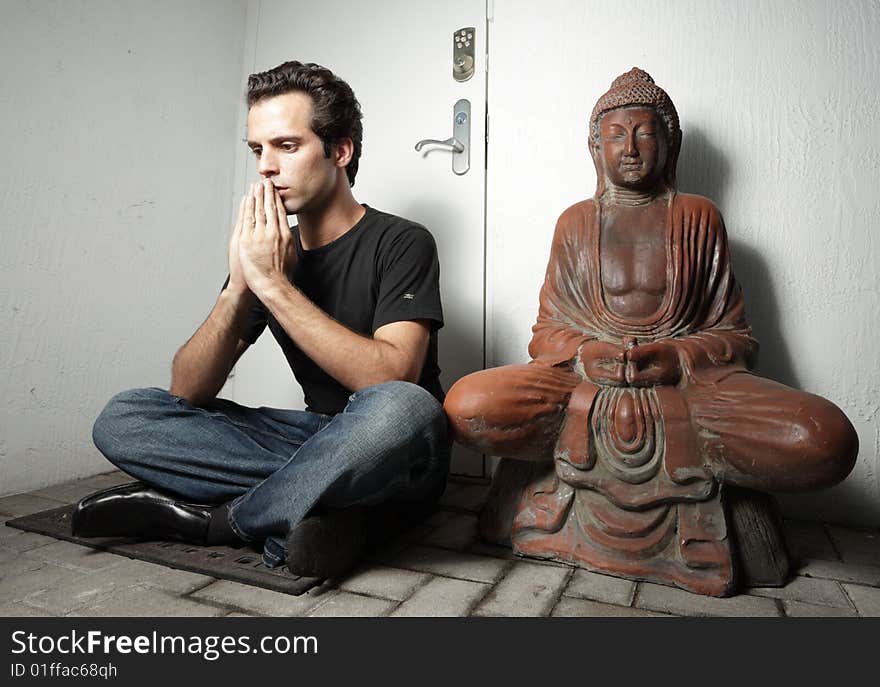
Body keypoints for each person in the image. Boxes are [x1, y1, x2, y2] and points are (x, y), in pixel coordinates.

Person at [442, 68, 858, 595]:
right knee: (467, 404)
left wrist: (676, 360)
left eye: (644, 132)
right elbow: (548, 331)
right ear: (595, 147)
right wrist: (587, 354)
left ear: (669, 143)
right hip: (582, 386)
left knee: (823, 438)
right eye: (616, 134)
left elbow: (735, 337)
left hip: (689, 389)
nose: (631, 147)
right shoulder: (575, 222)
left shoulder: (698, 217)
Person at [73, 61, 450, 578]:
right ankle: (332, 509)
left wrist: (274, 283)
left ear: (340, 151)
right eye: (257, 150)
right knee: (126, 415)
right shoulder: (268, 252)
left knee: (407, 407)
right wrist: (241, 284)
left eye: (287, 147)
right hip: (315, 440)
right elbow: (186, 391)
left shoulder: (402, 240)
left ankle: (222, 521)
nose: (265, 168)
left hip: (398, 450)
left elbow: (391, 377)